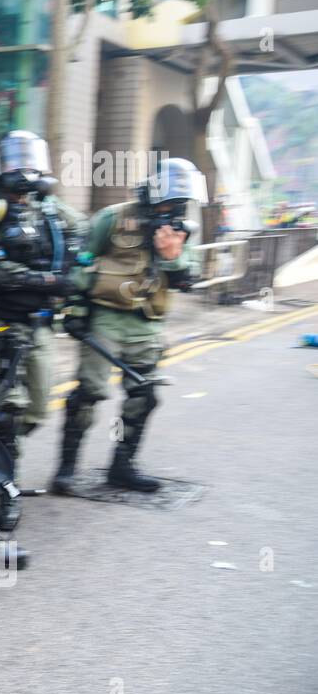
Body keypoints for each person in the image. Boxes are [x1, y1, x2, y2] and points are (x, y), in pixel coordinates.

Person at [0, 134, 82, 557]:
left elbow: (79, 237)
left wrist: (70, 271)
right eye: (14, 161)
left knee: (36, 406)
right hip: (0, 324)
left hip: (40, 325)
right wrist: (49, 281)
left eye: (29, 160)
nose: (23, 170)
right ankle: (1, 491)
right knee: (6, 409)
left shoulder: (50, 210)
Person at [51, 158, 203, 495]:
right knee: (89, 393)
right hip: (106, 319)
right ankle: (66, 468)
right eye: (169, 202)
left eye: (180, 204)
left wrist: (172, 254)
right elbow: (81, 260)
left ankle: (122, 465)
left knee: (143, 396)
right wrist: (74, 309)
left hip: (147, 324)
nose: (174, 210)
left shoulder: (180, 232)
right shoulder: (114, 218)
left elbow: (189, 279)